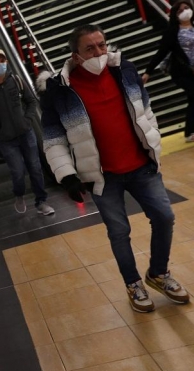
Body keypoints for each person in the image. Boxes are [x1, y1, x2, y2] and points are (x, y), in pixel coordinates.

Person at [41, 24, 189, 313]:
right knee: (119, 231)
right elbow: (53, 139)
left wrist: (154, 141)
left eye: (102, 44)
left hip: (141, 167)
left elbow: (145, 111)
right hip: (102, 177)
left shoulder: (125, 71)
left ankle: (158, 274)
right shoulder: (59, 91)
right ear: (76, 55)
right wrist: (67, 176)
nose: (99, 52)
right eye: (90, 48)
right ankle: (133, 283)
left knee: (164, 217)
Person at [0, 49, 54, 215]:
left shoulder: (17, 80)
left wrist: (27, 120)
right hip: (6, 140)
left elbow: (31, 101)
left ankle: (41, 201)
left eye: (2, 60)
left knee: (35, 167)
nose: (0, 64)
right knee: (18, 171)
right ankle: (19, 195)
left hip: (26, 133)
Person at [142, 0, 194, 143]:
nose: (185, 11)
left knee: (193, 100)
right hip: (182, 72)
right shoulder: (173, 32)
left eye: (187, 8)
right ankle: (190, 132)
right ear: (175, 16)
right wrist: (148, 72)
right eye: (180, 10)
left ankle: (189, 132)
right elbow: (161, 52)